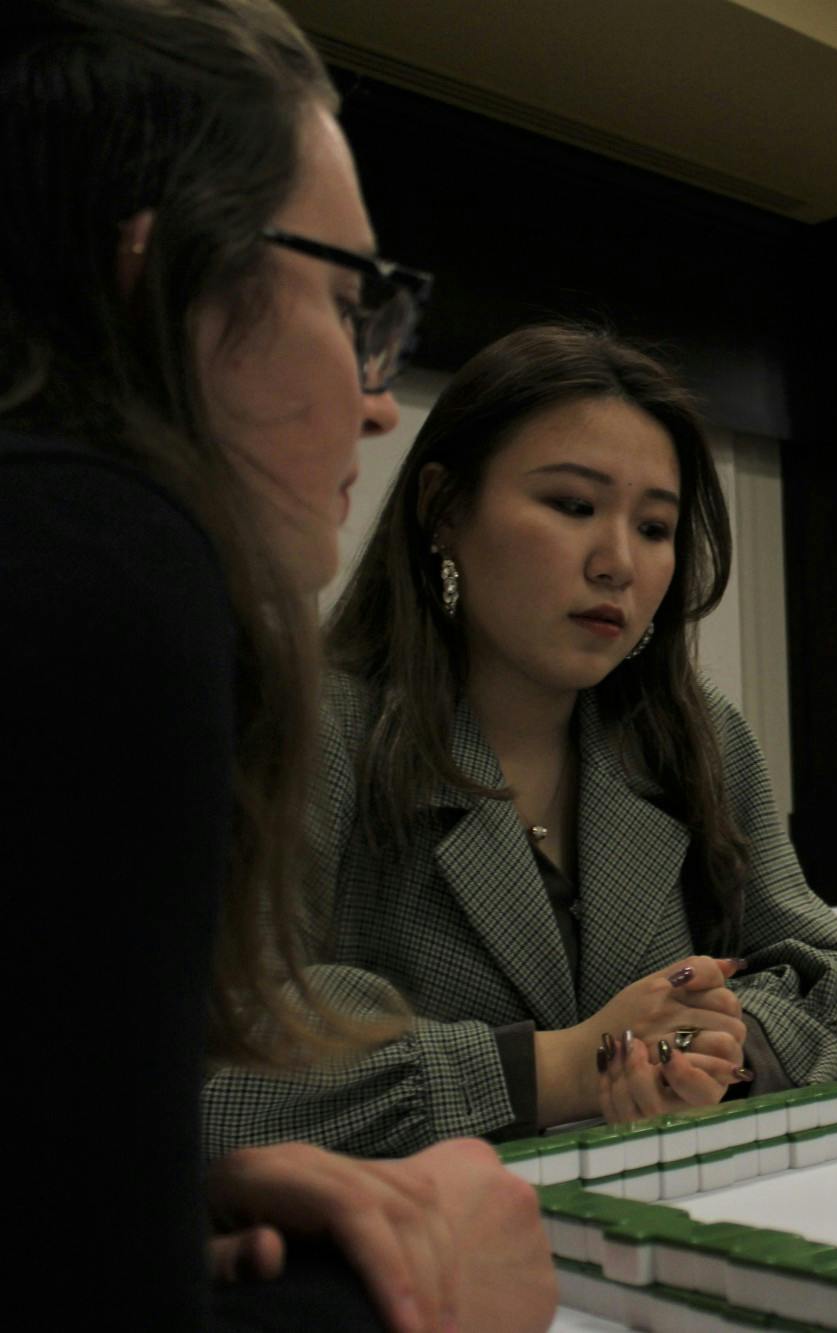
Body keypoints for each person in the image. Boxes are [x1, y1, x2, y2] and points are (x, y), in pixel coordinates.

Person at [2, 1, 554, 1329]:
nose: (377, 394)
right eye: (352, 303)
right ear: (166, 281)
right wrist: (429, 1304)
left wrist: (176, 1190)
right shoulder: (108, 562)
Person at [203, 322, 837, 1157]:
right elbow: (212, 1072)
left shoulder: (695, 731)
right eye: (572, 506)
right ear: (443, 510)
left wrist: (717, 1048)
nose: (617, 563)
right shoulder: (312, 725)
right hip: (412, 1261)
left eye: (654, 527)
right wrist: (560, 1066)